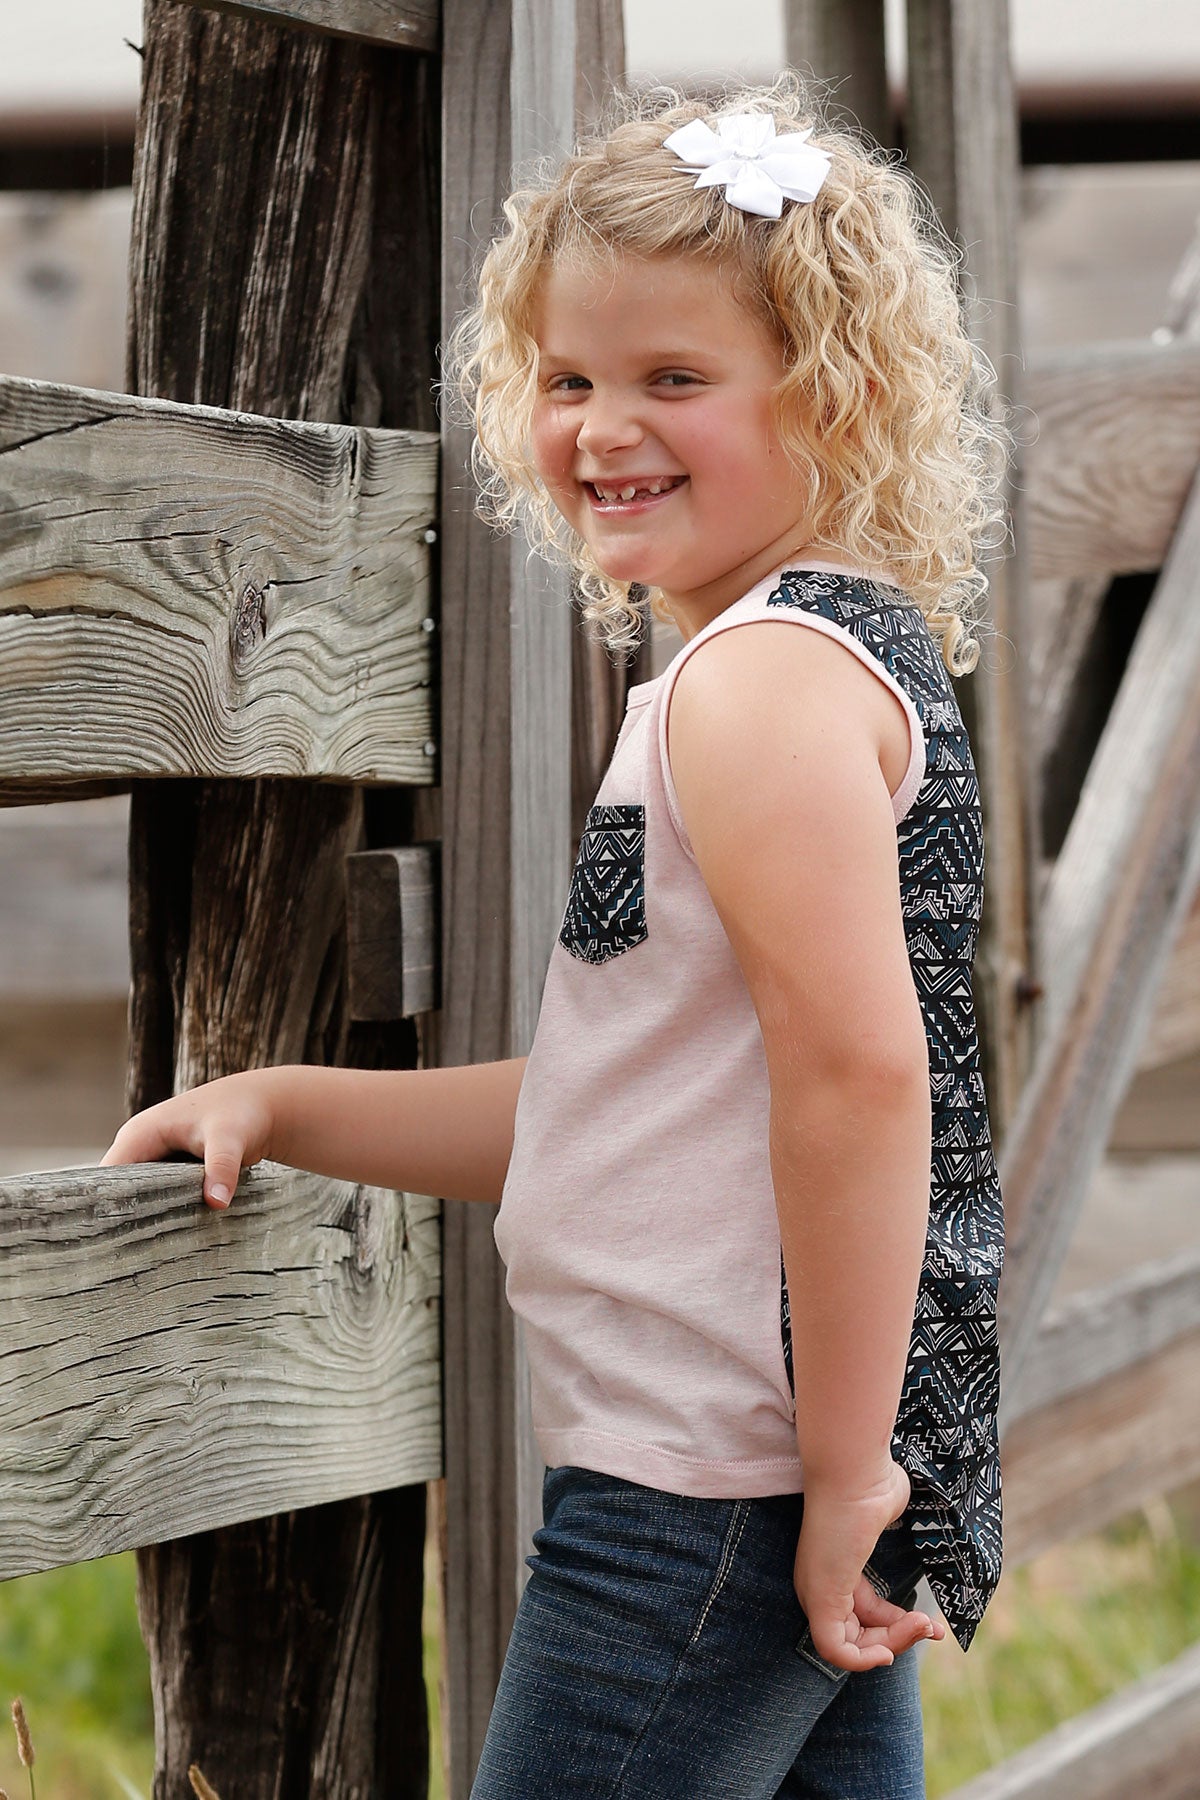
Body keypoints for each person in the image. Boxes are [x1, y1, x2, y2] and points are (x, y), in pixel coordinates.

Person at [104, 76, 1007, 1800]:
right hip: (753, 1470)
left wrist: (838, 1476)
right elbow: (635, 1103)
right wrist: (287, 1102)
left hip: (713, 1494)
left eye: (677, 379)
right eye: (570, 377)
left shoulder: (752, 692)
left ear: (842, 392)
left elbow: (861, 1077)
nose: (603, 425)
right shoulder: (794, 664)